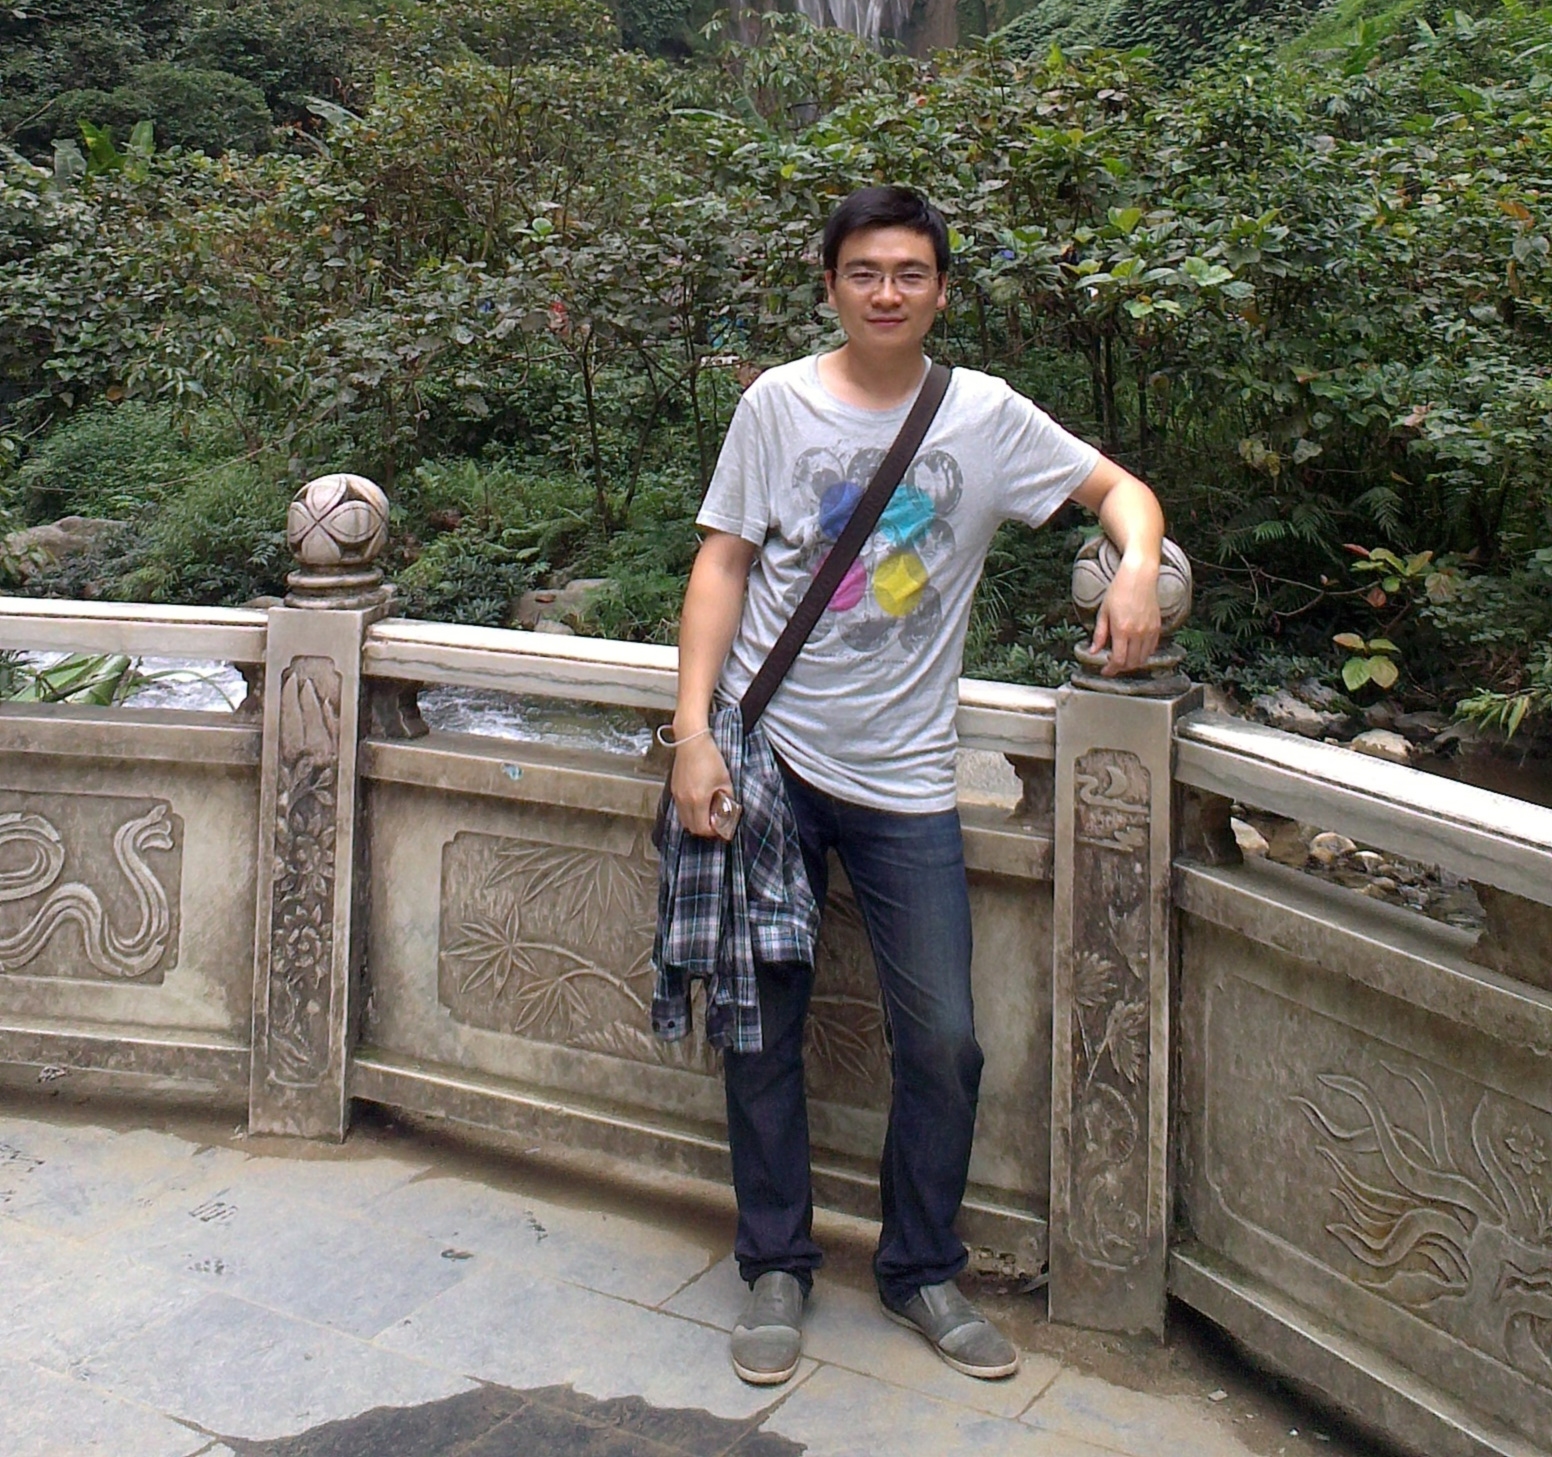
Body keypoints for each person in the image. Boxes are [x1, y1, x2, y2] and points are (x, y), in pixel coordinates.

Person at [665, 184, 1164, 1385]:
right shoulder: (776, 404)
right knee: (762, 1028)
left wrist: (1138, 566)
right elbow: (722, 563)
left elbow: (1119, 491)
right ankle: (775, 1263)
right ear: (830, 285)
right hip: (769, 757)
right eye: (863, 272)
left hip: (904, 776)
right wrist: (692, 731)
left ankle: (920, 1266)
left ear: (940, 290)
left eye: (908, 273)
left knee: (943, 1039)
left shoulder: (983, 416)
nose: (885, 292)